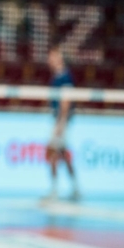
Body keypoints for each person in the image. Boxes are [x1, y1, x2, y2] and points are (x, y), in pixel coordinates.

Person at [43, 46, 79, 202]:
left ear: (60, 59)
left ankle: (54, 190)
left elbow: (66, 102)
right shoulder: (57, 77)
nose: (49, 60)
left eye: (52, 57)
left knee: (52, 153)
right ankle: (75, 189)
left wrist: (61, 124)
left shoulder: (65, 78)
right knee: (63, 154)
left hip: (61, 121)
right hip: (59, 120)